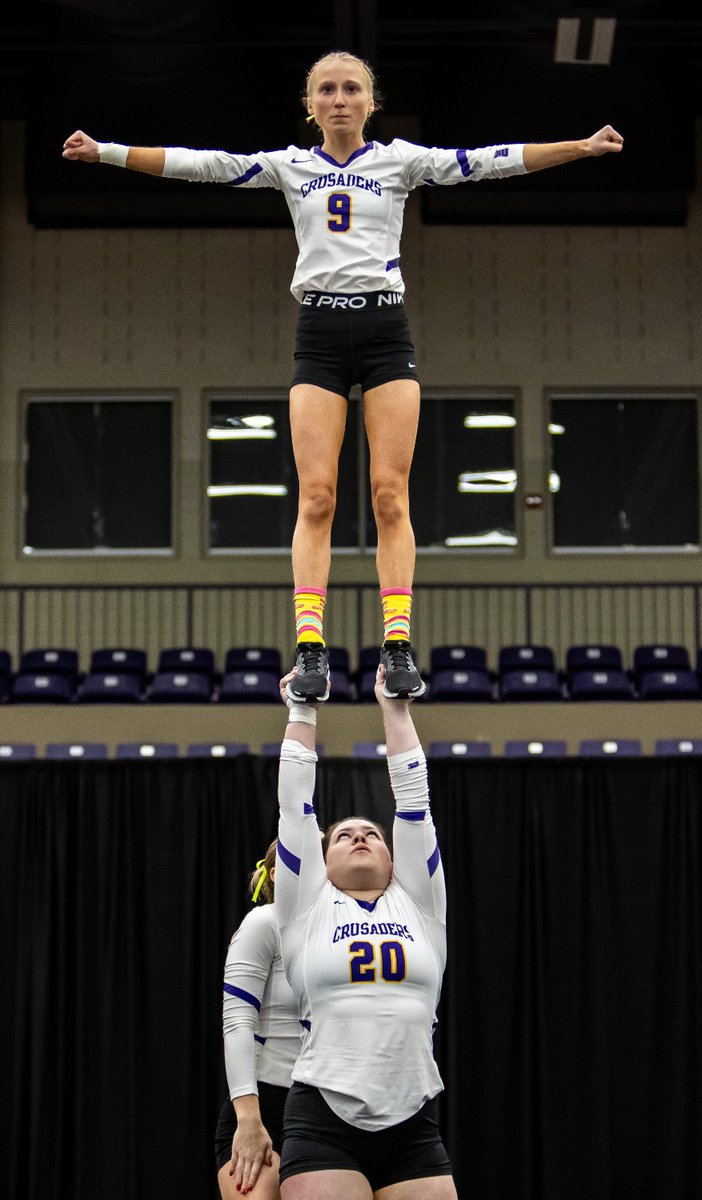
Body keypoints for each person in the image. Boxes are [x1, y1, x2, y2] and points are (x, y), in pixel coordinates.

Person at [61, 51, 623, 704]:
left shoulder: (401, 161)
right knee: (318, 496)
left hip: (386, 333)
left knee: (389, 494)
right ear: (310, 105)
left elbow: (488, 158)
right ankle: (309, 649)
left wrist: (580, 148)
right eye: (325, 89)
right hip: (319, 336)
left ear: (369, 102)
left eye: (351, 89)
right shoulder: (289, 166)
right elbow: (203, 164)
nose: (338, 99)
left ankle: (397, 644)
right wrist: (106, 151)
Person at [274, 664, 457, 1199]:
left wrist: (395, 709)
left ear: (392, 854)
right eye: (343, 836)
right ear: (321, 860)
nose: (359, 838)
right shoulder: (307, 907)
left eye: (372, 834)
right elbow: (295, 808)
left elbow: (415, 803)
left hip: (414, 1119)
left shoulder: (418, 903)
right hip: (324, 1118)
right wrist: (302, 710)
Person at [216, 840, 304, 1199]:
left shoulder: (343, 931)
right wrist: (249, 1120)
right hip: (267, 1102)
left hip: (330, 1105)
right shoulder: (265, 922)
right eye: (299, 857)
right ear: (272, 875)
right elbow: (237, 1021)